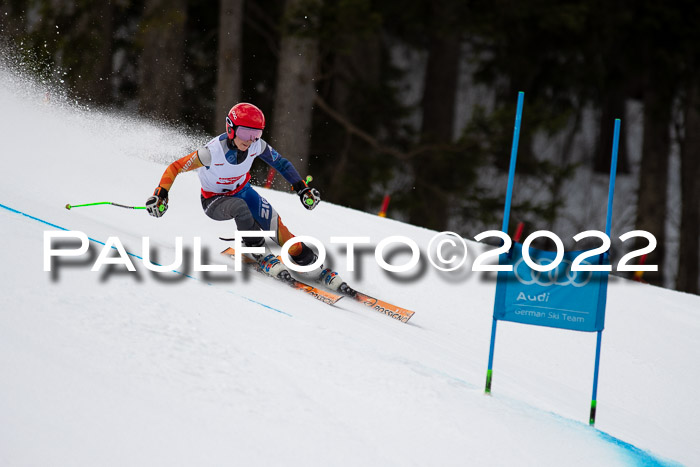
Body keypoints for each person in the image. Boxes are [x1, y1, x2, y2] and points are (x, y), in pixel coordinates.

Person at [145, 102, 346, 292]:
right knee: (240, 207)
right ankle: (259, 252)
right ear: (231, 129)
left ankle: (311, 262)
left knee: (277, 227)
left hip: (243, 190)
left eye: (256, 134)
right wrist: (161, 194)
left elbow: (282, 164)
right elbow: (176, 167)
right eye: (245, 133)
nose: (250, 140)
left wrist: (302, 189)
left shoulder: (256, 146)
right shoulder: (211, 152)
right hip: (214, 201)